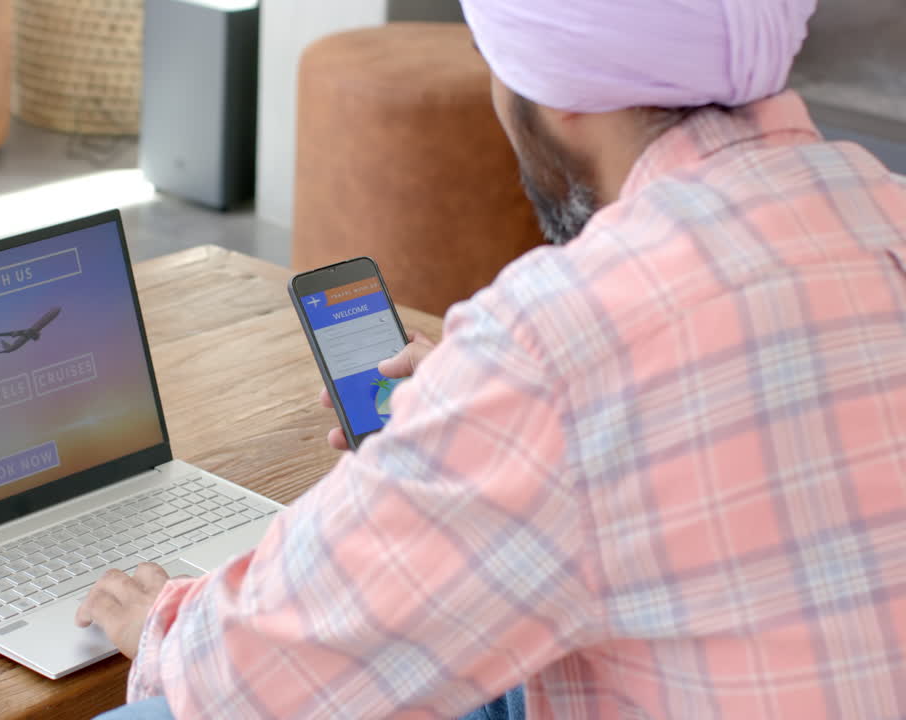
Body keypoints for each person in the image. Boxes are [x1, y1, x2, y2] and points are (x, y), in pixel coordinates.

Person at [76, 0, 906, 717]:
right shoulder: (884, 203)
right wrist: (483, 407)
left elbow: (260, 678)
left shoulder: (560, 339)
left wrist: (161, 623)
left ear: (566, 94)